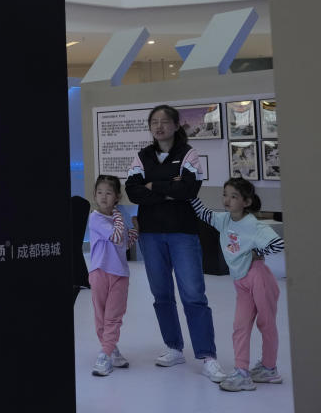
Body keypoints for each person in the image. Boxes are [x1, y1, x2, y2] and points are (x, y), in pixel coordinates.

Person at [125, 104, 227, 382]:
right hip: (151, 235)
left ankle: (207, 355)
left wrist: (152, 186)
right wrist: (168, 188)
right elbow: (133, 193)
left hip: (183, 233)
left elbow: (188, 189)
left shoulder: (189, 154)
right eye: (154, 122)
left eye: (164, 121)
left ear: (175, 125)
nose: (159, 126)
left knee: (193, 295)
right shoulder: (142, 156)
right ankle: (173, 347)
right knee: (162, 295)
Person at [190, 179, 285, 391]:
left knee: (266, 324)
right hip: (240, 282)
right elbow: (204, 214)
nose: (227, 200)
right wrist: (189, 194)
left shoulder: (254, 225)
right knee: (240, 326)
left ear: (246, 201)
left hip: (260, 278)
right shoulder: (224, 220)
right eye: (225, 194)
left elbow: (278, 244)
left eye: (233, 196)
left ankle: (270, 368)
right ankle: (242, 371)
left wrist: (257, 252)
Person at [88, 175, 139, 376]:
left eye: (108, 193)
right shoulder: (96, 218)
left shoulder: (118, 220)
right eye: (99, 192)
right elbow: (116, 236)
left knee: (113, 317)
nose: (103, 197)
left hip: (119, 275)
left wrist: (135, 227)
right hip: (99, 272)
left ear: (117, 196)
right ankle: (110, 349)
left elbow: (126, 242)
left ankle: (105, 353)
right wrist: (119, 215)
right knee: (101, 316)